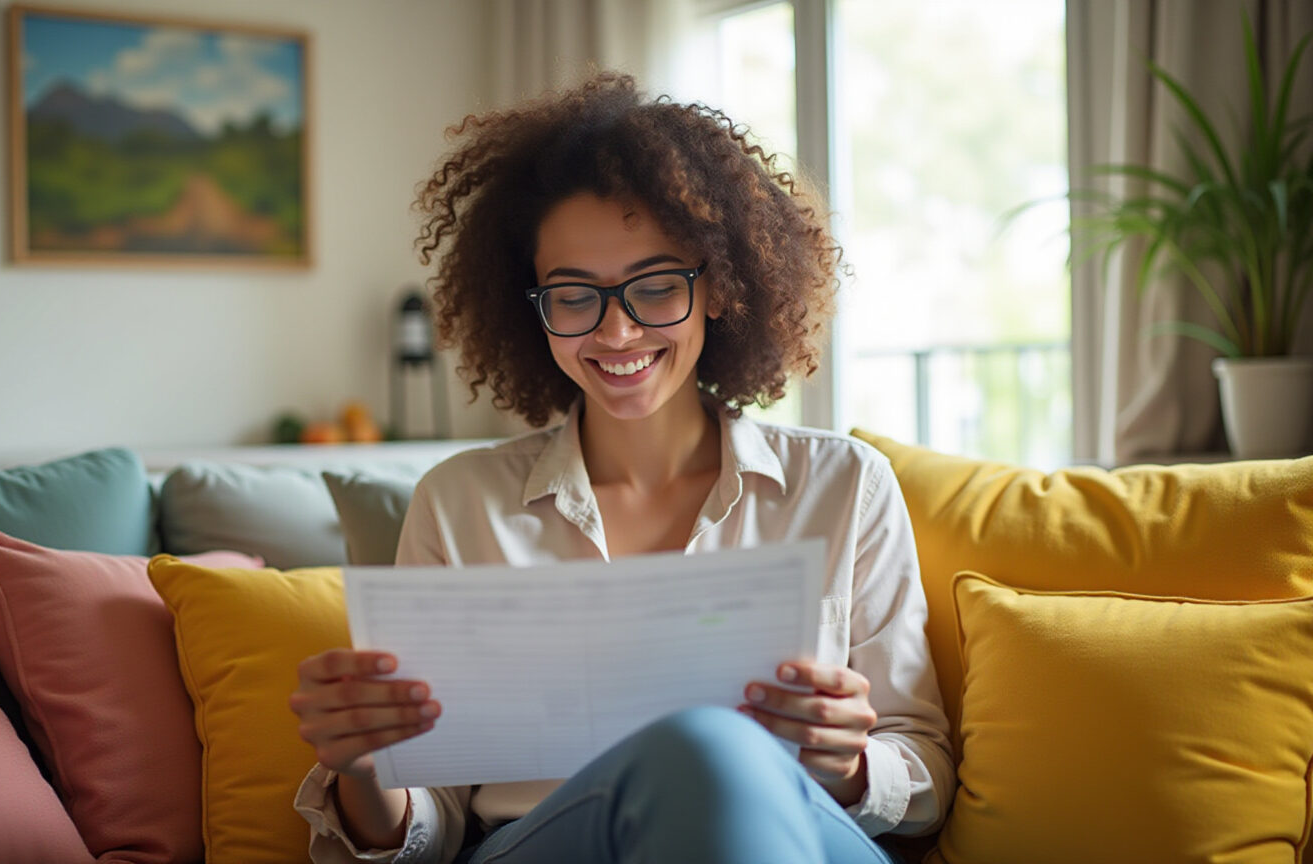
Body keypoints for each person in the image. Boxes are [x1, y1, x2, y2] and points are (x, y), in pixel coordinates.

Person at [289, 72, 953, 864]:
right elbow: (431, 826)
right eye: (574, 296)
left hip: (798, 834)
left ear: (719, 289)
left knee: (720, 757)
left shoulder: (845, 485)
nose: (617, 331)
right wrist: (365, 766)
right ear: (529, 306)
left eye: (656, 286)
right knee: (702, 745)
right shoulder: (461, 502)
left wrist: (848, 767)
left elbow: (924, 778)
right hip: (544, 845)